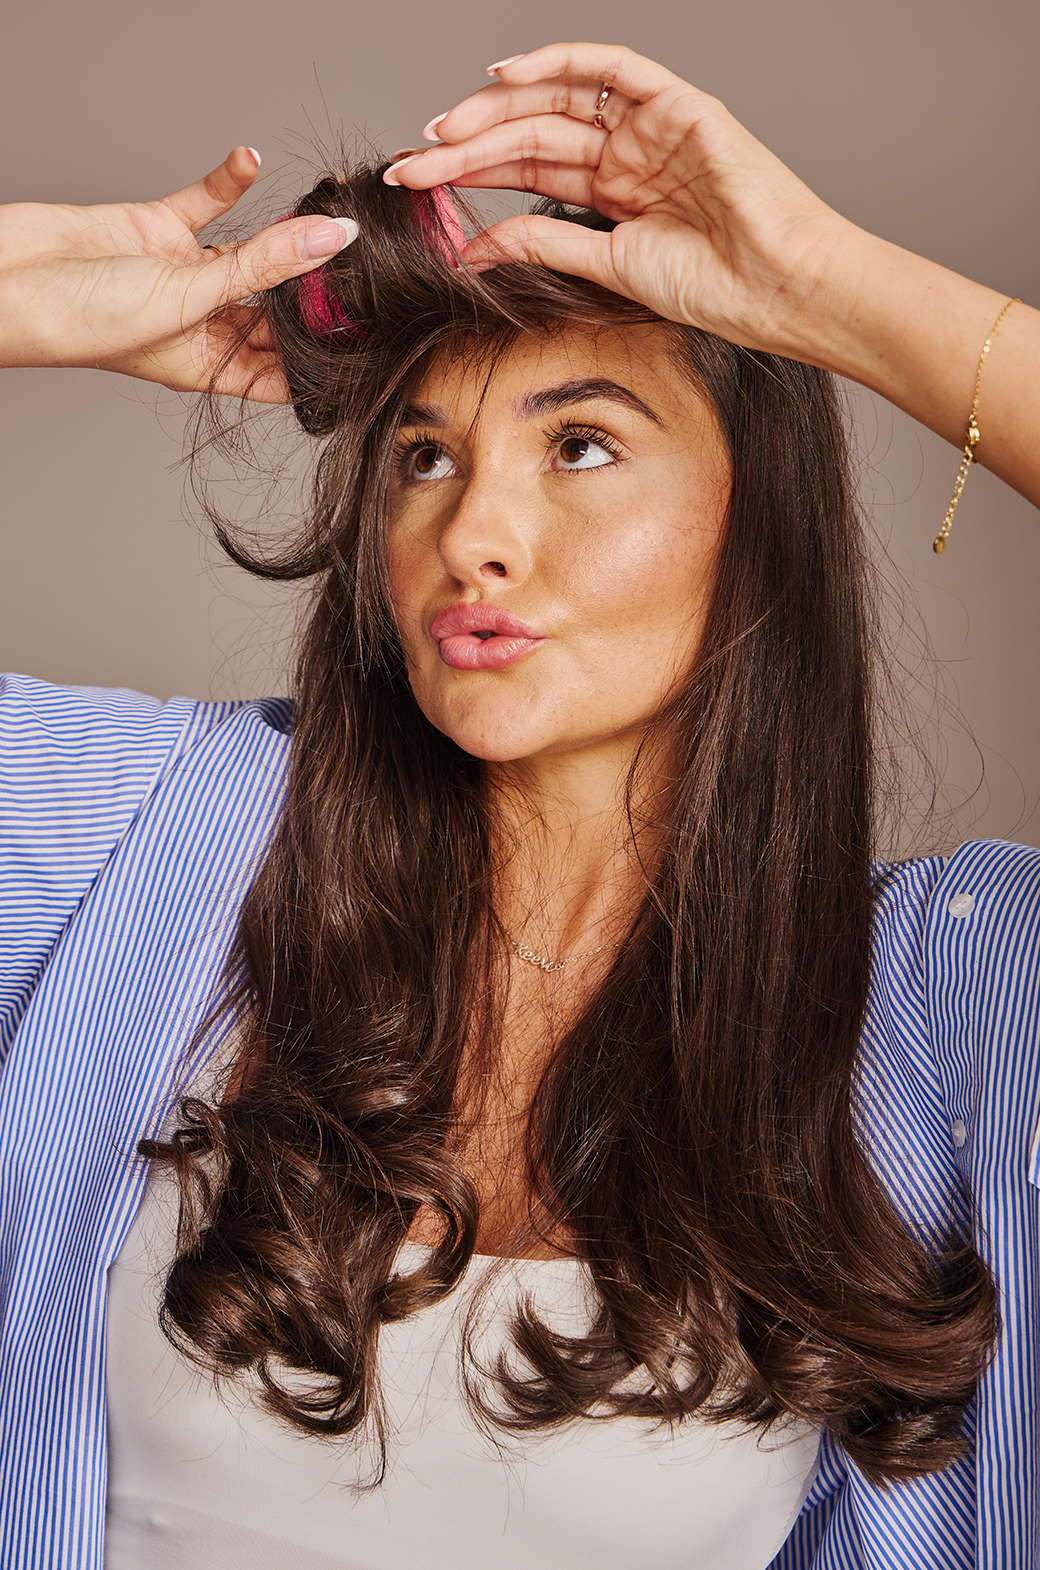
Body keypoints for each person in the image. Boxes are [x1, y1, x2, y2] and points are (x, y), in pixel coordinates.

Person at [1, 40, 1038, 1570]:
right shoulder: (142, 833)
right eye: (424, 456)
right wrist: (15, 297)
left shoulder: (937, 1003)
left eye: (582, 444)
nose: (473, 530)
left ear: (756, 517)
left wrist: (831, 290)